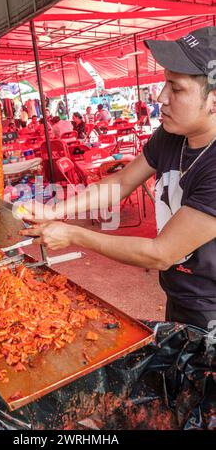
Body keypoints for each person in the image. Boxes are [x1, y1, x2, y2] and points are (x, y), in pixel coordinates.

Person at [19, 26, 216, 331]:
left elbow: (161, 253)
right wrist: (55, 211)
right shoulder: (171, 135)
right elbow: (122, 182)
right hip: (181, 295)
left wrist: (74, 235)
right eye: (164, 84)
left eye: (176, 89)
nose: (161, 97)